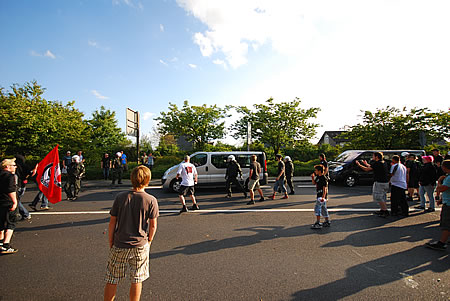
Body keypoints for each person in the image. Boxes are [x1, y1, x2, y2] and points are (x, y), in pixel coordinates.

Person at [104, 165, 159, 301]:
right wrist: (149, 240)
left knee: (112, 277)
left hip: (120, 243)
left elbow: (112, 222)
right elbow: (153, 225)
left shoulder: (120, 197)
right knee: (137, 278)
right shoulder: (150, 200)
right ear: (147, 180)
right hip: (140, 244)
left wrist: (111, 241)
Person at [425, 160, 450, 251]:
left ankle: (441, 243)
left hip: (449, 204)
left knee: (446, 224)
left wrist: (439, 181)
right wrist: (442, 199)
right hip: (447, 200)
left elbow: (442, 188)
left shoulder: (448, 178)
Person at [356, 152, 390, 217]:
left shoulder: (377, 163)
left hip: (379, 182)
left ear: (377, 157)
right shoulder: (383, 162)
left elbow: (366, 169)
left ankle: (385, 211)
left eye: (373, 156)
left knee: (378, 197)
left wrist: (359, 165)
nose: (372, 157)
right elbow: (372, 167)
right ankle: (382, 209)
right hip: (385, 182)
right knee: (383, 196)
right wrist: (366, 164)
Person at [0, 159, 19, 254]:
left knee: (1, 223)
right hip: (7, 202)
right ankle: (6, 245)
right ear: (7, 166)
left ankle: (0, 242)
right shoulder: (10, 176)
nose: (15, 167)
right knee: (11, 223)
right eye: (13, 165)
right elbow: (11, 190)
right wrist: (14, 202)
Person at [310, 165, 331, 229]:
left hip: (321, 197)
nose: (315, 171)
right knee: (323, 209)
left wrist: (323, 197)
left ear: (319, 171)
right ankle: (327, 221)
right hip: (319, 195)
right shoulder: (318, 177)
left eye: (316, 170)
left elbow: (325, 188)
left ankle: (318, 223)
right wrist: (312, 178)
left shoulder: (323, 178)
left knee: (317, 209)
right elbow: (314, 183)